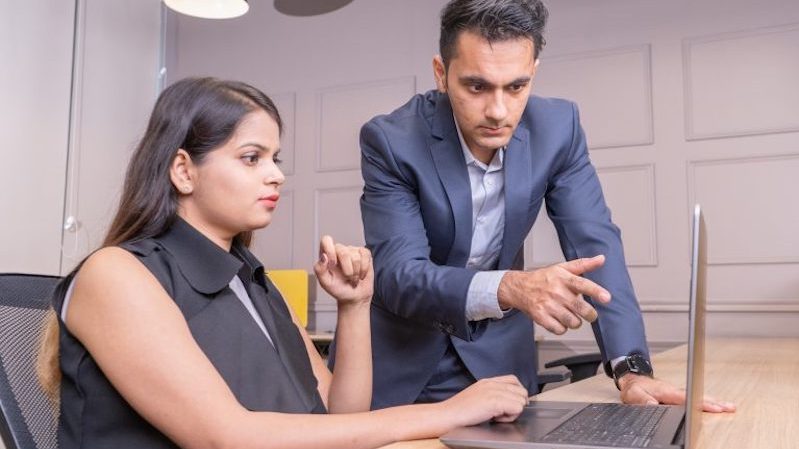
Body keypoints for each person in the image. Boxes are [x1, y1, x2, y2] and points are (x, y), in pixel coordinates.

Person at [37, 77, 530, 449]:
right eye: (252, 158)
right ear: (184, 170)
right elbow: (227, 437)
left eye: (276, 158)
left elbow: (339, 414)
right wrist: (448, 412)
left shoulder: (251, 279)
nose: (277, 175)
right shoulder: (117, 274)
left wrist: (354, 307)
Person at [346, 0, 736, 413]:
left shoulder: (558, 129)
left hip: (499, 367)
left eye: (516, 87)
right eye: (476, 86)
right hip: (401, 365)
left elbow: (595, 245)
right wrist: (511, 286)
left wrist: (631, 368)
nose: (498, 111)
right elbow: (400, 275)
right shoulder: (391, 140)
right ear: (442, 74)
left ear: (533, 73)